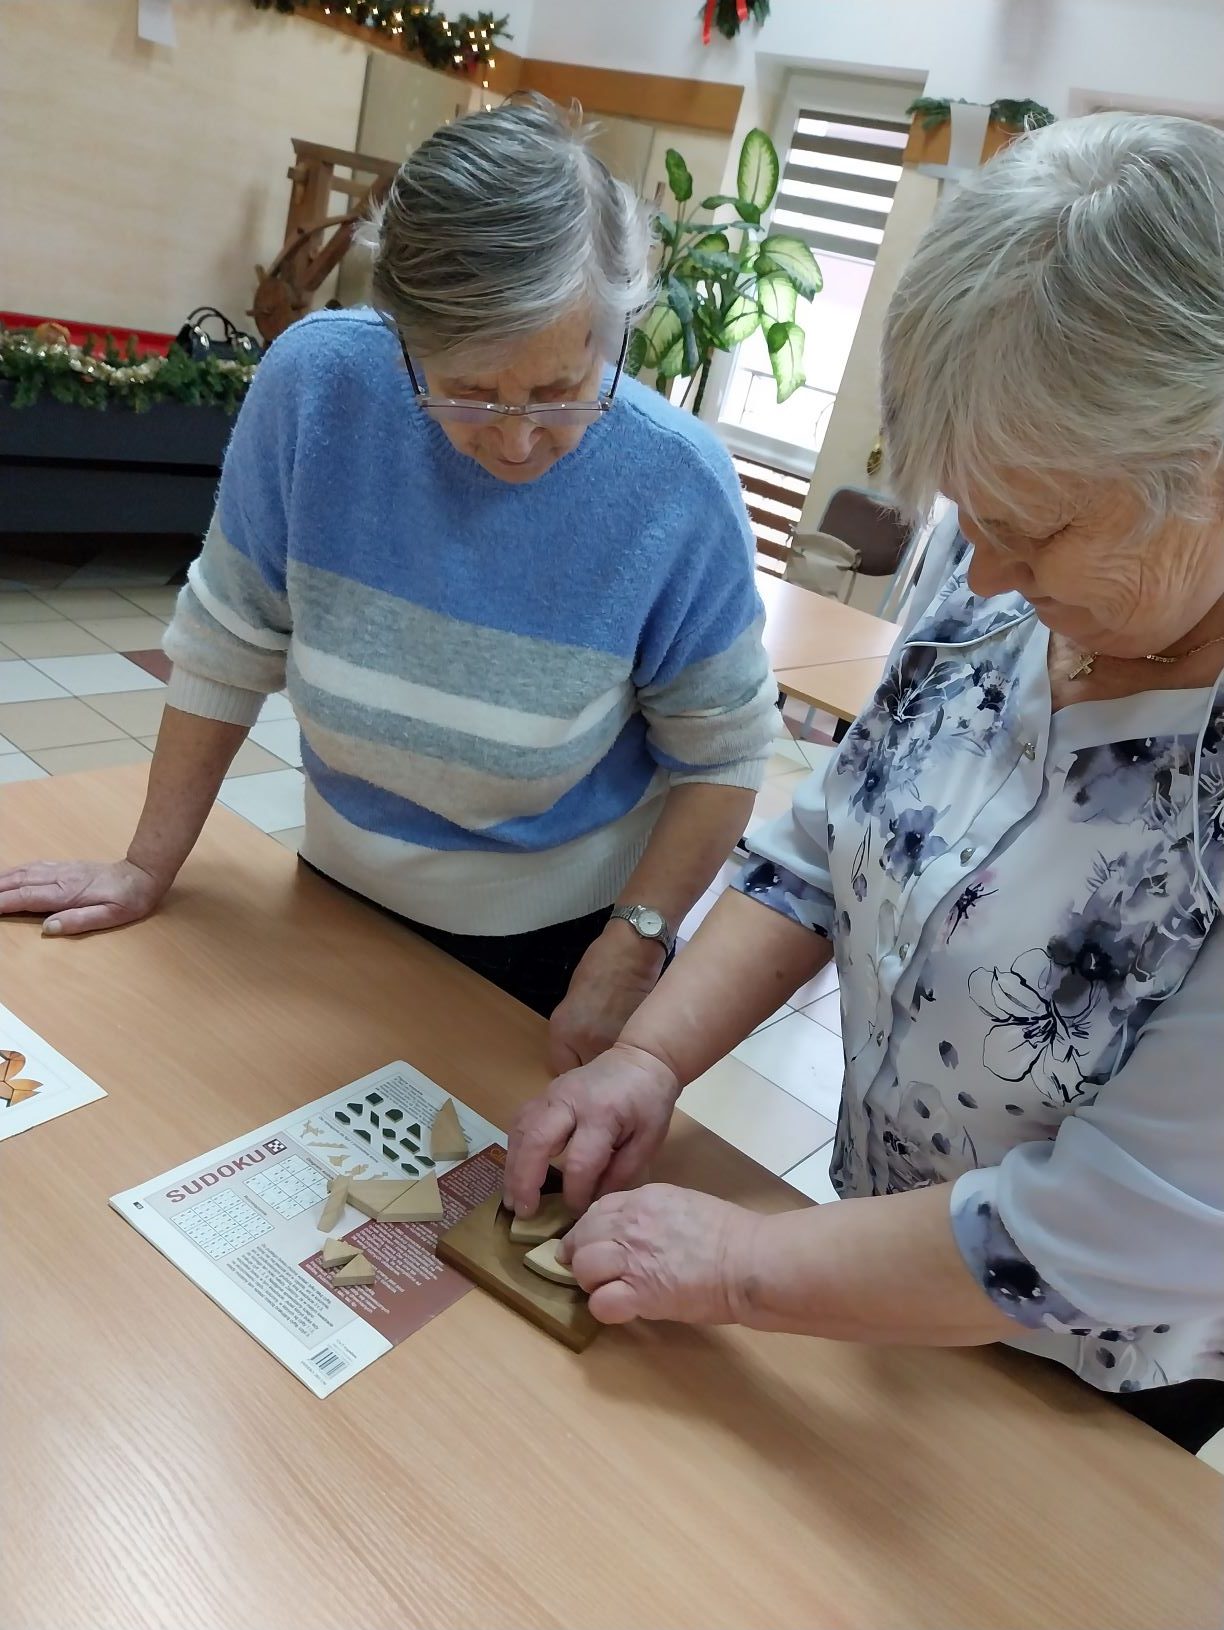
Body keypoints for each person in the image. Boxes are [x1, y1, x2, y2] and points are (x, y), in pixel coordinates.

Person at [504, 111, 1224, 1453]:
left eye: (1033, 528)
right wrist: (651, 1061)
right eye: (975, 518)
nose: (989, 574)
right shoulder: (1002, 568)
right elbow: (838, 839)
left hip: (1090, 1388)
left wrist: (736, 1265)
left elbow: (1125, 1228)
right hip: (866, 1274)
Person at [0, 97, 775, 1072]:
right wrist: (144, 865)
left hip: (567, 941)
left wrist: (633, 949)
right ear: (398, 334)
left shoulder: (676, 484)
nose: (519, 437)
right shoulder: (320, 385)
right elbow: (229, 635)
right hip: (336, 888)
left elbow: (723, 753)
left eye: (559, 390)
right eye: (470, 392)